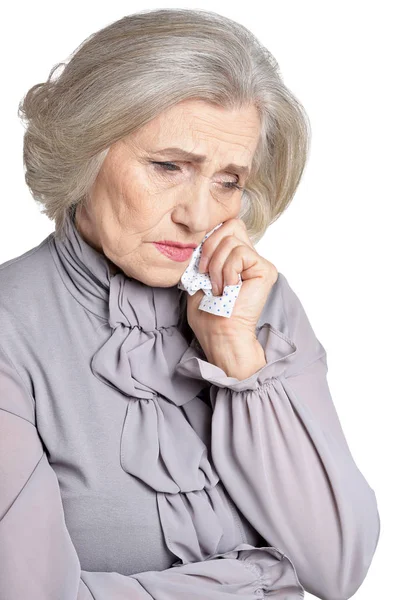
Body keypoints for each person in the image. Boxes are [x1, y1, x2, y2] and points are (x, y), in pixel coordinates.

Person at [0, 8, 380, 600]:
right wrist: (256, 578)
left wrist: (235, 351)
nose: (198, 217)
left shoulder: (253, 301)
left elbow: (336, 566)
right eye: (168, 166)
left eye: (228, 180)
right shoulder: (8, 327)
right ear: (84, 150)